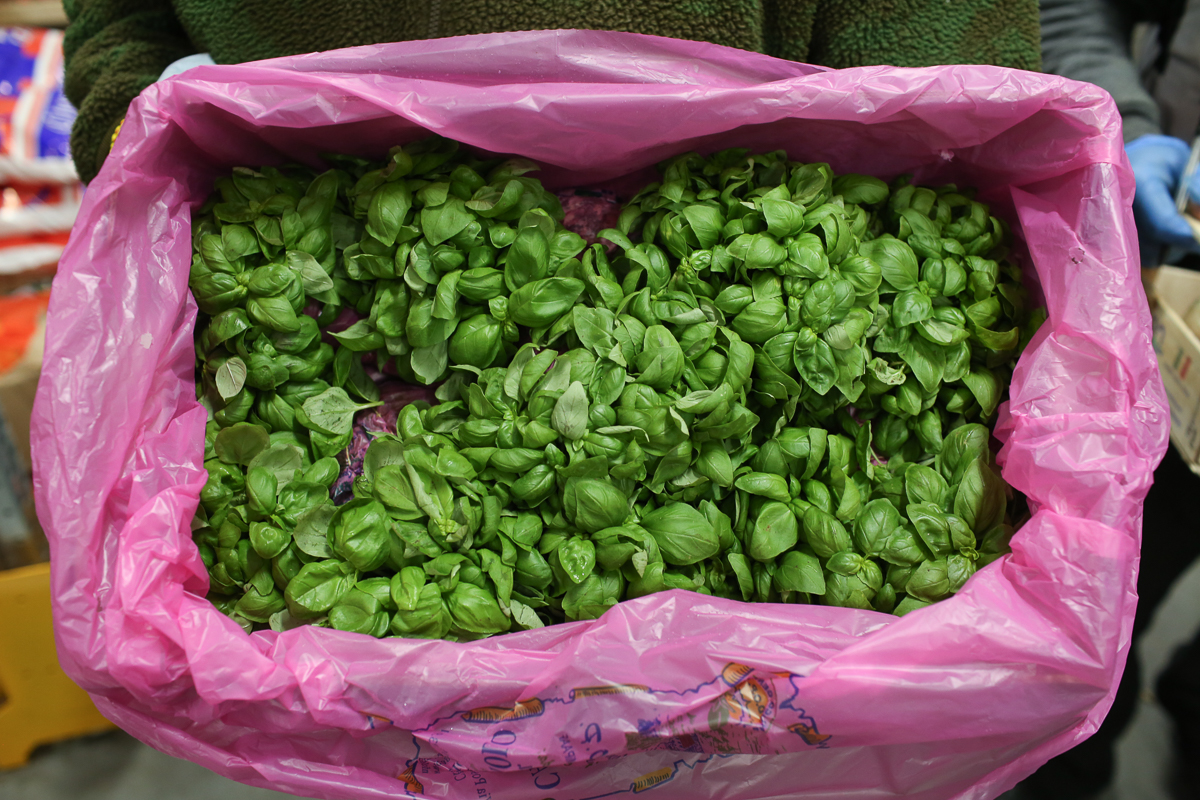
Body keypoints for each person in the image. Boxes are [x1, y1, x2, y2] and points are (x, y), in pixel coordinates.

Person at [61, 0, 1040, 184]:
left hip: (746, 232)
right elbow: (119, 18)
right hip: (290, 280)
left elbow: (948, 86)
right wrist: (137, 115)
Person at [1009, 3, 1200, 799]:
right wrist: (1131, 127)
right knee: (1110, 588)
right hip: (1162, 277)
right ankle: (1065, 764)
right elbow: (1073, 10)